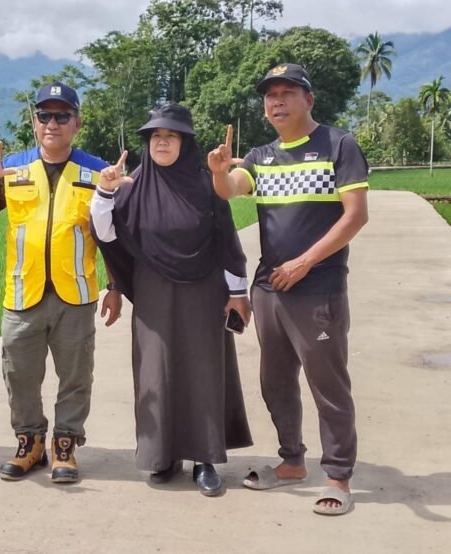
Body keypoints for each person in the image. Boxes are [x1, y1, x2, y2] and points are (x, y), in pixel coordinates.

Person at [208, 63, 369, 515]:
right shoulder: (261, 156)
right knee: (275, 381)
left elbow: (354, 216)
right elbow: (229, 191)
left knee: (328, 385)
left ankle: (338, 475)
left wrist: (305, 262)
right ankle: (292, 462)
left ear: (308, 100)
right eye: (270, 95)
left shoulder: (339, 145)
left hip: (318, 288)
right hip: (269, 289)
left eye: (287, 93)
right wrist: (220, 171)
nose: (276, 101)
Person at [91, 103, 253, 496]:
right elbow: (107, 234)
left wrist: (237, 292)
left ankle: (205, 459)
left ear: (185, 142)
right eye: (156, 137)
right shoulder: (134, 185)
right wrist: (104, 192)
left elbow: (226, 239)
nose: (162, 142)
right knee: (155, 372)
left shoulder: (204, 183)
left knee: (202, 371)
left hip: (203, 290)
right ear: (147, 144)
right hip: (153, 292)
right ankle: (161, 455)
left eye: (171, 136)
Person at [0, 82, 122, 483]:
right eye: (44, 116)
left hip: (76, 293)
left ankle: (65, 444)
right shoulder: (13, 167)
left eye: (62, 116)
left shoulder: (95, 170)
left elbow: (111, 233)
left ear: (77, 123)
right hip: (23, 291)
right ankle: (29, 440)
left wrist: (116, 285)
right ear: (34, 122)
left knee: (75, 375)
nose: (52, 123)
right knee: (18, 373)